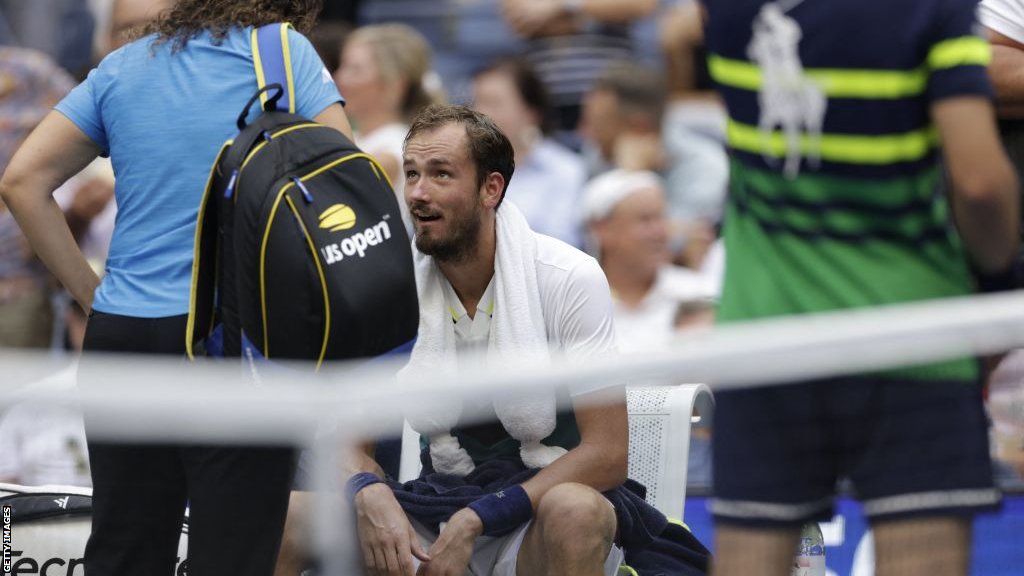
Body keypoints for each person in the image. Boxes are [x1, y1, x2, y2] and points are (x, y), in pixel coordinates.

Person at [0, 1, 352, 575]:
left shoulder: (122, 65)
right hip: (237, 337)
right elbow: (343, 181)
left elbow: (21, 182)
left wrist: (94, 296)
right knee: (231, 556)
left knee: (124, 551)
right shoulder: (281, 51)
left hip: (125, 339)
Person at [703, 1, 1018, 576]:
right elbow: (978, 184)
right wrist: (999, 275)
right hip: (914, 346)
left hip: (766, 344)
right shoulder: (934, 9)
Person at [350, 104, 629, 575]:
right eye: (412, 174)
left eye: (441, 174)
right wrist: (365, 489)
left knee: (576, 511)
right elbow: (347, 436)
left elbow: (609, 452)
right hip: (436, 503)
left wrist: (484, 515)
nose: (417, 193)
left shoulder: (567, 277)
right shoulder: (388, 290)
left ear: (491, 188)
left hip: (537, 509)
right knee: (290, 516)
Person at [582, 168, 717, 353]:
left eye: (661, 218)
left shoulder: (700, 293)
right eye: (645, 220)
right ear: (602, 230)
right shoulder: (578, 304)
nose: (660, 232)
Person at [471, 56, 586, 247]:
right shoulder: (464, 165)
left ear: (531, 112)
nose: (480, 114)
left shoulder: (565, 169)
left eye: (493, 103)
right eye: (476, 102)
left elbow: (561, 243)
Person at [335, 22, 439, 233]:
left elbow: (339, 184)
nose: (339, 78)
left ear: (395, 84)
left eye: (355, 69)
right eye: (342, 66)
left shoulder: (398, 145)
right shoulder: (354, 136)